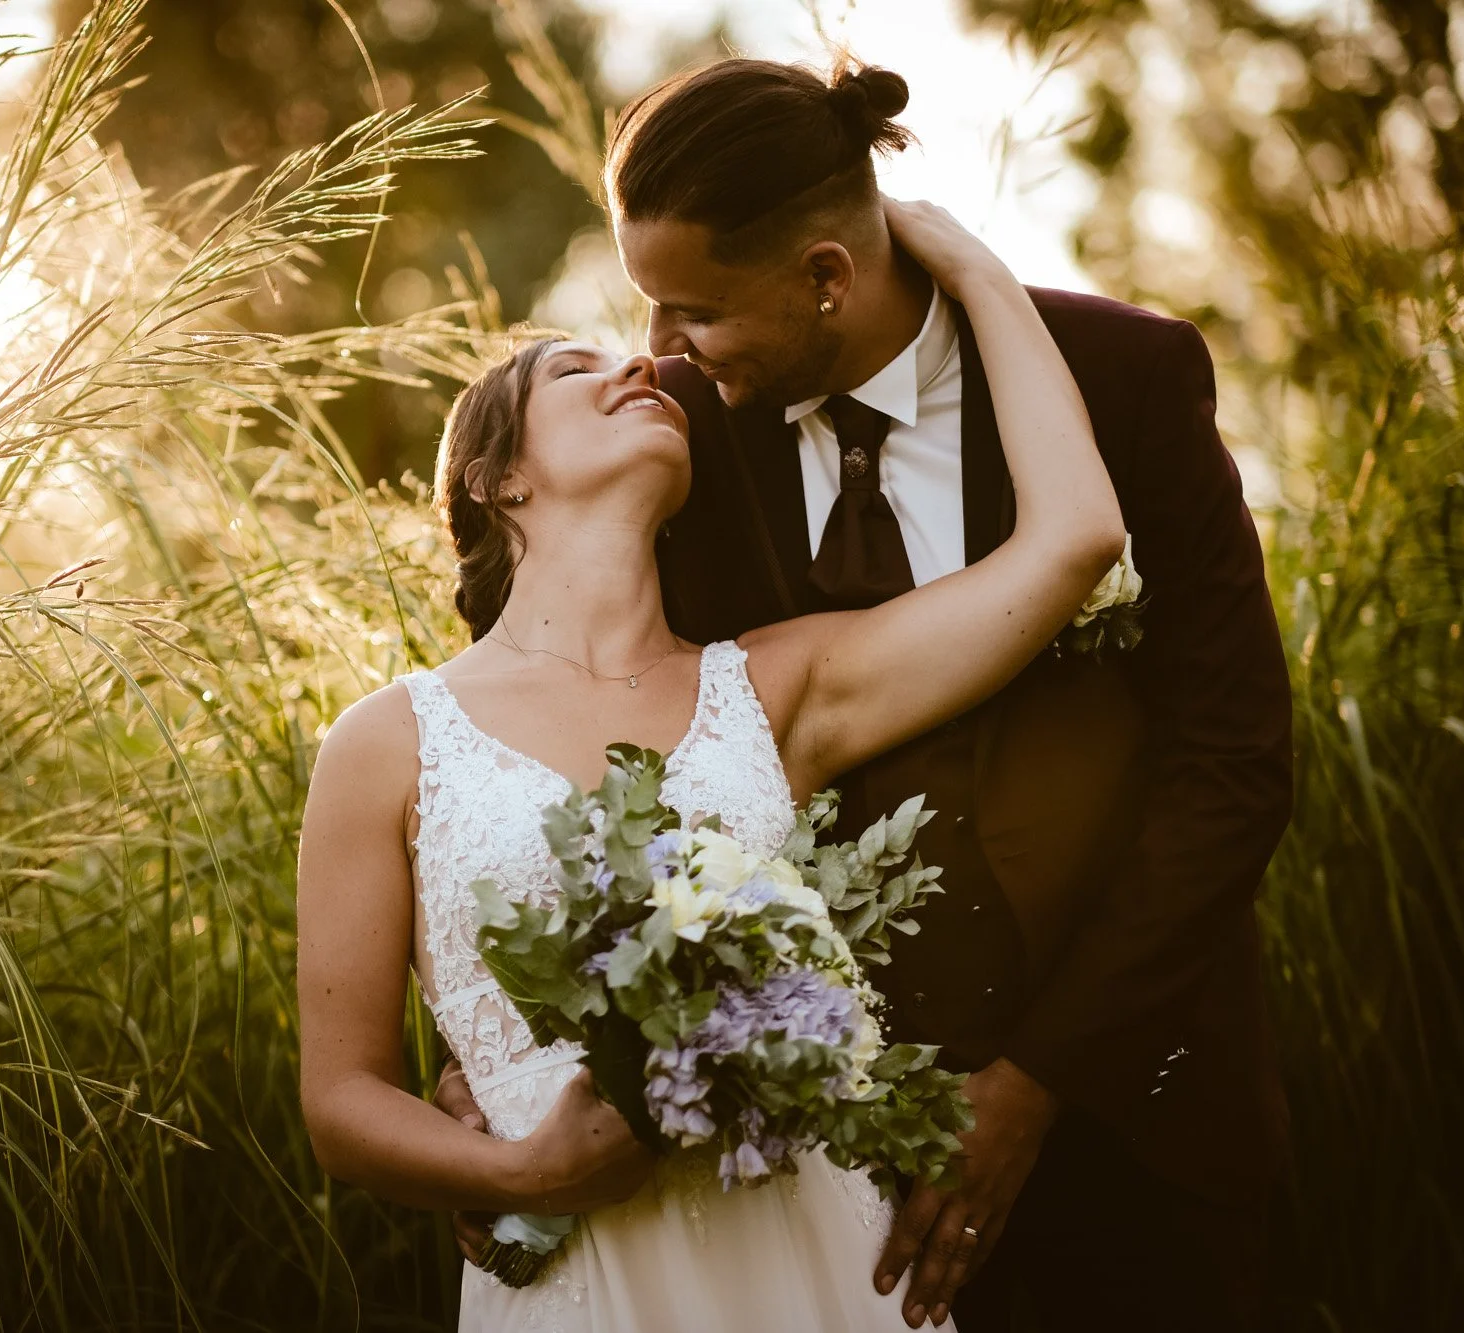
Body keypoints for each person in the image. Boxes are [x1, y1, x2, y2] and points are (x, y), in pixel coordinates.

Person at [465, 55, 1283, 1333]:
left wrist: (1034, 1079)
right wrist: (498, 1072)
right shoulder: (670, 440)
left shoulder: (1117, 379)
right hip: (813, 1176)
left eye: (689, 310)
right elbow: (528, 738)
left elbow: (1232, 763)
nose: (655, 352)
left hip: (1141, 1118)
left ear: (825, 277)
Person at [297, 192, 1124, 1330]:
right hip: (584, 1276)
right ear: (496, 480)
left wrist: (975, 276)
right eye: (576, 373)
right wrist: (517, 1176)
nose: (641, 371)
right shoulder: (386, 738)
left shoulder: (778, 686)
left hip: (810, 1254)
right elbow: (340, 1097)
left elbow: (1075, 541)